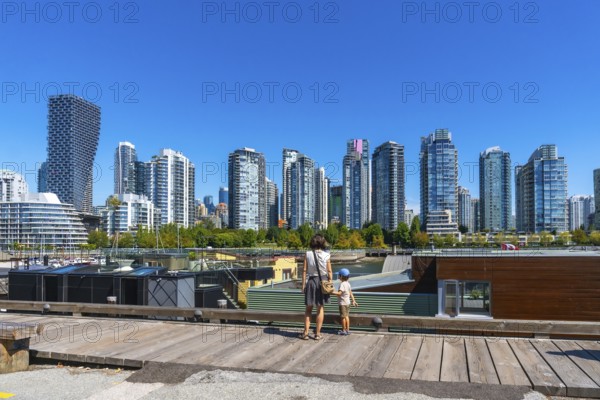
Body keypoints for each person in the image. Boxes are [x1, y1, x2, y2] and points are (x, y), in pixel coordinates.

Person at [300, 234, 332, 340]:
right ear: (322, 242)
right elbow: (329, 271)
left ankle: (305, 333)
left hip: (311, 281)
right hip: (322, 281)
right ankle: (317, 334)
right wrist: (330, 282)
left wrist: (303, 284)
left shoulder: (308, 254)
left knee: (308, 308)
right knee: (320, 308)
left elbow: (304, 270)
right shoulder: (326, 255)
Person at [335, 268, 358, 335]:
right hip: (348, 303)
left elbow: (339, 293)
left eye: (339, 275)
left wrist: (331, 292)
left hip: (343, 304)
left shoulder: (342, 284)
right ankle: (347, 330)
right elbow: (350, 292)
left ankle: (344, 330)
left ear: (341, 276)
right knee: (346, 316)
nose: (338, 276)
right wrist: (353, 301)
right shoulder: (348, 284)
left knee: (343, 317)